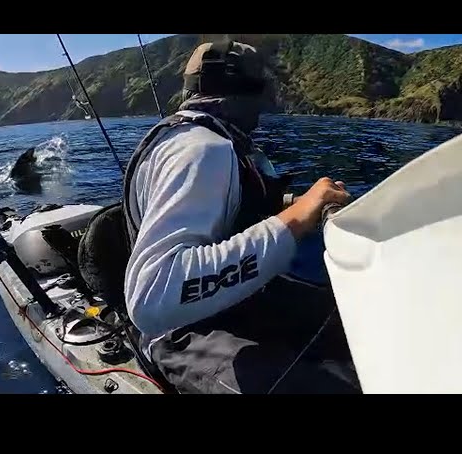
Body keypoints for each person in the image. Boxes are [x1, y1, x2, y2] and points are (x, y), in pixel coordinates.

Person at [120, 40, 361, 394]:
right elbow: (152, 295)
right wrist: (294, 220)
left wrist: (305, 203)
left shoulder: (194, 139)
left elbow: (235, 211)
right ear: (247, 92)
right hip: (181, 331)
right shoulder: (203, 151)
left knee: (354, 317)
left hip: (241, 301)